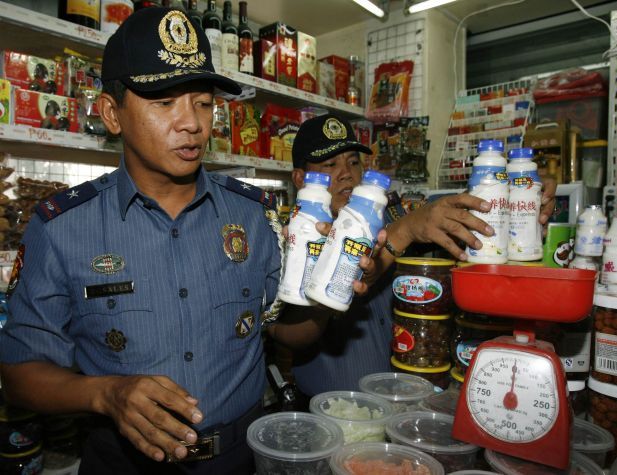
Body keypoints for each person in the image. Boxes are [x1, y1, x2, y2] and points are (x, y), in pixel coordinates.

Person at [0, 8, 371, 475]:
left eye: (202, 102)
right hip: (122, 464)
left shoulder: (255, 216)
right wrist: (106, 393)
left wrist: (324, 297)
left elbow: (284, 332)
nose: (192, 123)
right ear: (112, 113)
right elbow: (19, 375)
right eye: (163, 101)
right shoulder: (61, 227)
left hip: (239, 459)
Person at [281, 113, 557, 397]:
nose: (347, 173)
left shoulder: (395, 215)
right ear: (301, 179)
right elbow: (284, 335)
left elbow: (449, 210)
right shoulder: (290, 238)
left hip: (405, 403)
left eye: (353, 161)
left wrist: (523, 187)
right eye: (330, 164)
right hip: (334, 412)